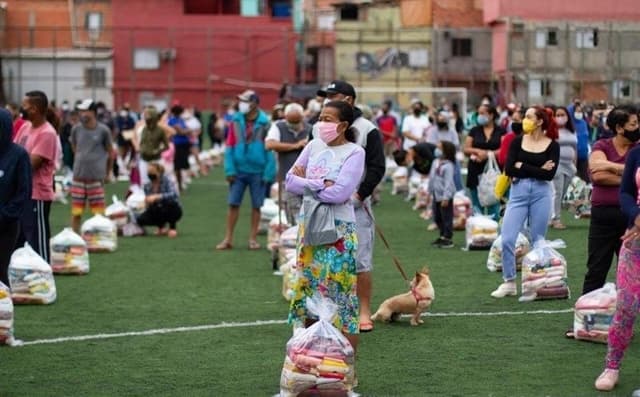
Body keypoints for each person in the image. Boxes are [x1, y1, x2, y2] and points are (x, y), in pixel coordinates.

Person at [285, 99, 365, 355]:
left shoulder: (355, 152)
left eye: (327, 119)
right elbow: (289, 181)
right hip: (309, 227)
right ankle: (311, 367)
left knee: (340, 296)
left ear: (342, 125)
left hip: (339, 231)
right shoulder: (313, 145)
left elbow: (340, 194)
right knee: (309, 293)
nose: (321, 123)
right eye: (321, 117)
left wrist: (309, 183)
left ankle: (343, 370)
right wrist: (323, 183)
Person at [317, 80, 386, 333]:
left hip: (356, 204)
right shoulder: (320, 127)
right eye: (325, 97)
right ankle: (328, 309)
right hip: (323, 204)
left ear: (348, 100)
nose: (325, 101)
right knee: (324, 257)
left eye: (331, 96)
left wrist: (360, 194)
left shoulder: (368, 129)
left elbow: (377, 167)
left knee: (360, 259)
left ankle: (364, 309)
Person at [491, 106, 559, 298]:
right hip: (518, 193)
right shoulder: (517, 141)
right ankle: (509, 282)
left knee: (538, 240)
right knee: (507, 238)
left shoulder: (553, 145)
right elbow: (511, 168)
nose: (524, 120)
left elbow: (550, 174)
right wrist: (538, 167)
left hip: (542, 193)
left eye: (528, 117)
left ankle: (537, 281)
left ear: (539, 121)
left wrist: (524, 166)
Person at [595, 112, 640, 391]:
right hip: (635, 242)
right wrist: (635, 215)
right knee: (625, 306)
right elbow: (624, 193)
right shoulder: (636, 154)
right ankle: (612, 367)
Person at [582, 105, 639, 295]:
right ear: (619, 128)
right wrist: (629, 172)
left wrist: (611, 168)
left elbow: (603, 171)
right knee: (596, 268)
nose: (637, 127)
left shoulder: (637, 149)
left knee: (632, 270)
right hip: (603, 216)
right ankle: (586, 318)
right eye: (633, 124)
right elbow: (597, 174)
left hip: (632, 218)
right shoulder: (602, 145)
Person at [216, 90, 275, 250]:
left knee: (257, 206)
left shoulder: (266, 123)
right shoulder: (234, 121)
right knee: (233, 204)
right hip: (238, 170)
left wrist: (269, 172)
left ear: (254, 103)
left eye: (244, 101)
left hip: (259, 171)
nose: (240, 104)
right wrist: (229, 170)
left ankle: (253, 239)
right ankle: (228, 238)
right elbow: (229, 146)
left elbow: (270, 149)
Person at [13, 90, 60, 264]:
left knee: (37, 243)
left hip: (37, 196)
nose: (21, 109)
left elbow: (30, 164)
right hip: (23, 194)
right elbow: (13, 151)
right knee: (18, 240)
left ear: (34, 109)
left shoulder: (47, 133)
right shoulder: (25, 127)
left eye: (24, 106)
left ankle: (44, 282)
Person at [69, 99, 113, 233]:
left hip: (96, 177)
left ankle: (100, 238)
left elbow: (110, 153)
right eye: (80, 111)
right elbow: (74, 147)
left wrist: (108, 173)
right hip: (78, 176)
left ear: (93, 112)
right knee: (76, 211)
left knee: (98, 211)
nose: (81, 113)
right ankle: (75, 237)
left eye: (84, 111)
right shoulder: (76, 129)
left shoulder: (103, 130)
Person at [0, 108, 32, 286]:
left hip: (7, 226)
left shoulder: (18, 155)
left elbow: (23, 192)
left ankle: (4, 309)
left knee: (2, 270)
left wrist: (5, 215)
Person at [265, 102, 311, 225]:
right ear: (285, 118)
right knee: (292, 213)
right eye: (291, 121)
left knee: (308, 214)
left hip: (308, 179)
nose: (294, 124)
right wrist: (295, 146)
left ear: (302, 118)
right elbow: (269, 144)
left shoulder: (310, 129)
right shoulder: (278, 126)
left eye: (297, 121)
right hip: (286, 178)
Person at [463, 104, 505, 219]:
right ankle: (479, 230)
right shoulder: (474, 130)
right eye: (478, 114)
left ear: (491, 115)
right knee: (476, 204)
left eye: (482, 113)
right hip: (475, 170)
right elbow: (466, 148)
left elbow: (504, 149)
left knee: (493, 202)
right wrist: (477, 151)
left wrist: (487, 155)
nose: (479, 116)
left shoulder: (500, 131)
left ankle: (495, 230)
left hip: (493, 171)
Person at [136, 162, 182, 238]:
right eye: (149, 173)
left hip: (170, 208)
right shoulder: (147, 186)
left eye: (153, 173)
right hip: (157, 209)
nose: (150, 175)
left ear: (159, 173)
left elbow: (174, 195)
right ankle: (161, 227)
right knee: (141, 218)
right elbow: (148, 202)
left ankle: (172, 228)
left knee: (171, 205)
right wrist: (146, 202)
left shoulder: (167, 181)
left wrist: (158, 196)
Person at [550, 106, 578, 229]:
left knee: (562, 193)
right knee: (557, 192)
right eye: (558, 115)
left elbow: (574, 148)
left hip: (569, 165)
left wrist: (574, 165)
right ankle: (556, 219)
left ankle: (552, 215)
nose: (560, 117)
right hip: (557, 164)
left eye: (563, 115)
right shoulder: (551, 131)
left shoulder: (572, 131)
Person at [428, 141, 457, 248]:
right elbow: (432, 178)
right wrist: (430, 191)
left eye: (439, 148)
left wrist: (446, 197)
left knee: (446, 217)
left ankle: (447, 237)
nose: (437, 150)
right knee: (437, 217)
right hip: (436, 194)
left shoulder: (448, 165)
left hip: (445, 196)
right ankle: (442, 235)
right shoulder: (435, 162)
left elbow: (449, 182)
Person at [138, 106, 172, 186]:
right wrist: (141, 149)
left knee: (160, 181)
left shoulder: (160, 130)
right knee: (144, 182)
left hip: (156, 159)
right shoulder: (144, 129)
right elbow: (142, 143)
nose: (146, 117)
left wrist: (158, 150)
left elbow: (166, 146)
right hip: (144, 159)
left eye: (148, 115)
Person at [168, 104, 190, 192]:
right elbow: (182, 132)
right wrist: (186, 131)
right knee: (177, 166)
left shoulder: (180, 120)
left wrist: (186, 130)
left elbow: (186, 130)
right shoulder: (172, 121)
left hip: (184, 145)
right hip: (177, 145)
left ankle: (180, 184)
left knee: (181, 166)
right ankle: (178, 185)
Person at [568, 101, 590, 182]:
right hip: (573, 157)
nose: (579, 113)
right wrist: (574, 104)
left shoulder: (584, 123)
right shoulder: (571, 124)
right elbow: (568, 110)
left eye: (580, 111)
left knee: (586, 180)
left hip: (584, 156)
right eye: (577, 111)